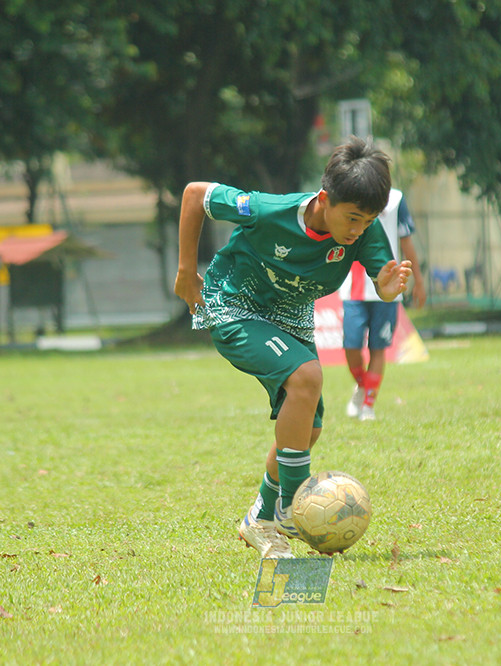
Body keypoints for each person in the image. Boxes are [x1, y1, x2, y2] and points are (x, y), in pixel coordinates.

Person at [174, 137, 412, 558]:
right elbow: (195, 195)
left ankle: (260, 519)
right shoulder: (268, 210)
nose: (358, 229)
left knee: (307, 428)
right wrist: (186, 272)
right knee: (307, 377)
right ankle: (290, 507)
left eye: (368, 220)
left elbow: (382, 275)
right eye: (353, 218)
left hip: (290, 317)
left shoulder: (364, 231)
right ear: (324, 199)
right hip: (233, 305)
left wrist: (388, 288)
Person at [340, 187, 426, 421]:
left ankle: (368, 405)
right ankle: (362, 386)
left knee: (378, 348)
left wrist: (418, 280)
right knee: (351, 346)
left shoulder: (396, 199)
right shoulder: (346, 193)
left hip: (388, 289)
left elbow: (406, 242)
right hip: (353, 287)